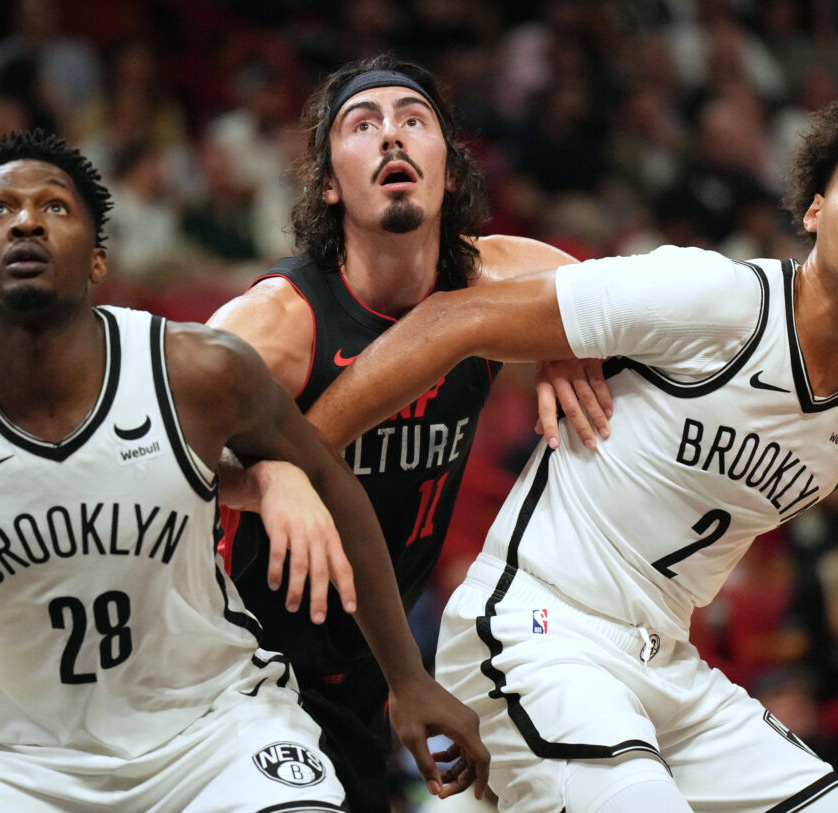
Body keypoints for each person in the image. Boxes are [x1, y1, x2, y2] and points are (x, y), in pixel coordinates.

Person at [306, 84, 838, 811]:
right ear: (815, 211)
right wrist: (299, 454)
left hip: (667, 665)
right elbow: (457, 313)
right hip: (538, 627)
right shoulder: (711, 297)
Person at [0, 130, 487, 810]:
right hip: (23, 764)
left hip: (214, 733)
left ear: (97, 261)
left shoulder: (196, 371)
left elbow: (336, 486)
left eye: (56, 207)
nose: (26, 219)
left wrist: (408, 678)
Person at [206, 53, 606, 812]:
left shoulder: (492, 284)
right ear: (329, 184)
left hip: (366, 665)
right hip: (241, 659)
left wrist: (568, 341)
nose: (392, 135)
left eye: (413, 121)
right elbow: (153, 449)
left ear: (448, 172)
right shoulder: (279, 321)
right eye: (364, 125)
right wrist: (263, 475)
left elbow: (625, 298)